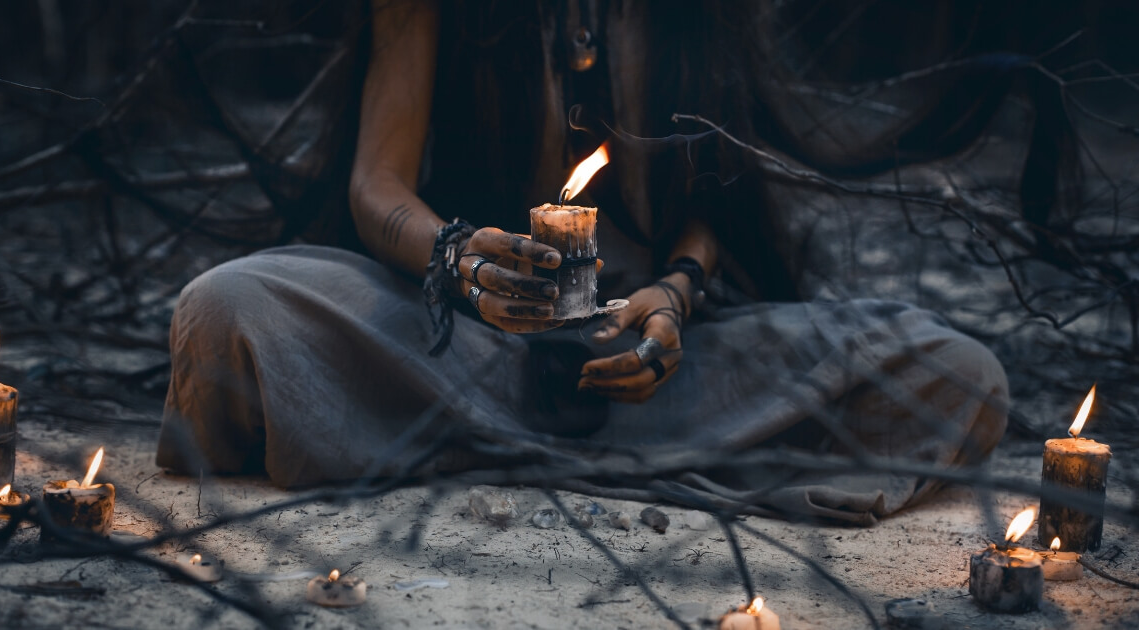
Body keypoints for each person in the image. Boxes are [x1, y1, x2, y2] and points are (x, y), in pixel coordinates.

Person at [156, 1, 1011, 524]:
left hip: (657, 365)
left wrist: (676, 292)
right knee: (225, 308)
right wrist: (458, 257)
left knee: (959, 374)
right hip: (459, 344)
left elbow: (716, 197)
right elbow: (378, 185)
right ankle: (618, 455)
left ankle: (457, 447)